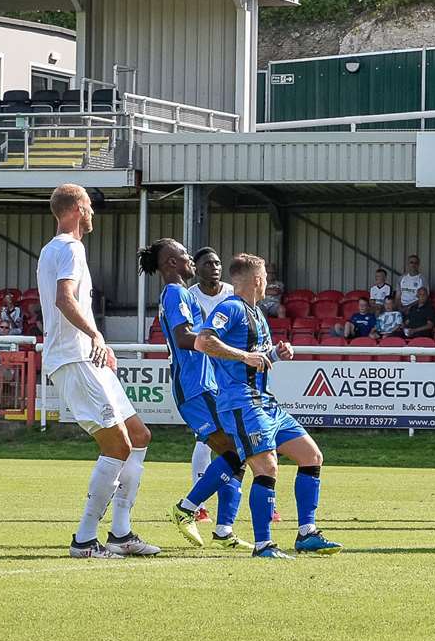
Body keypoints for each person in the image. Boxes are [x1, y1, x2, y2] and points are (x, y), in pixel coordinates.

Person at [169, 253, 341, 559]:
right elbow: (204, 341)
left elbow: (256, 357)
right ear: (258, 280)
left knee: (311, 455)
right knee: (266, 466)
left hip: (266, 402)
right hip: (241, 402)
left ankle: (307, 534)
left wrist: (275, 354)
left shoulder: (257, 314)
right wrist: (244, 356)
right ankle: (263, 545)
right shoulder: (231, 308)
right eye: (266, 278)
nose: (269, 285)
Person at [35, 184, 158, 559]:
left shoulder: (57, 249)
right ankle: (85, 539)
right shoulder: (69, 248)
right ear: (75, 210)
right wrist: (96, 334)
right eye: (88, 207)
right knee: (117, 444)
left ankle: (120, 533)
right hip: (74, 356)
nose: (93, 214)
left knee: (139, 435)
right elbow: (64, 298)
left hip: (86, 357)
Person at [139, 239, 246, 548]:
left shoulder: (181, 293)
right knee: (236, 451)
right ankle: (187, 508)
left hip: (205, 384)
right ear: (171, 263)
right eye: (184, 254)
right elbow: (183, 337)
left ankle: (224, 530)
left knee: (236, 452)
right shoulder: (176, 293)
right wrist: (225, 348)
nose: (189, 258)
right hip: (195, 387)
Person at [184, 246, 231, 522]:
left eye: (217, 262)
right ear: (197, 268)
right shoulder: (189, 297)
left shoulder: (232, 294)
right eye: (208, 263)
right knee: (206, 439)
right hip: (203, 375)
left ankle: (265, 501)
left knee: (244, 436)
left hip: (231, 373)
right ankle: (199, 505)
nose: (214, 267)